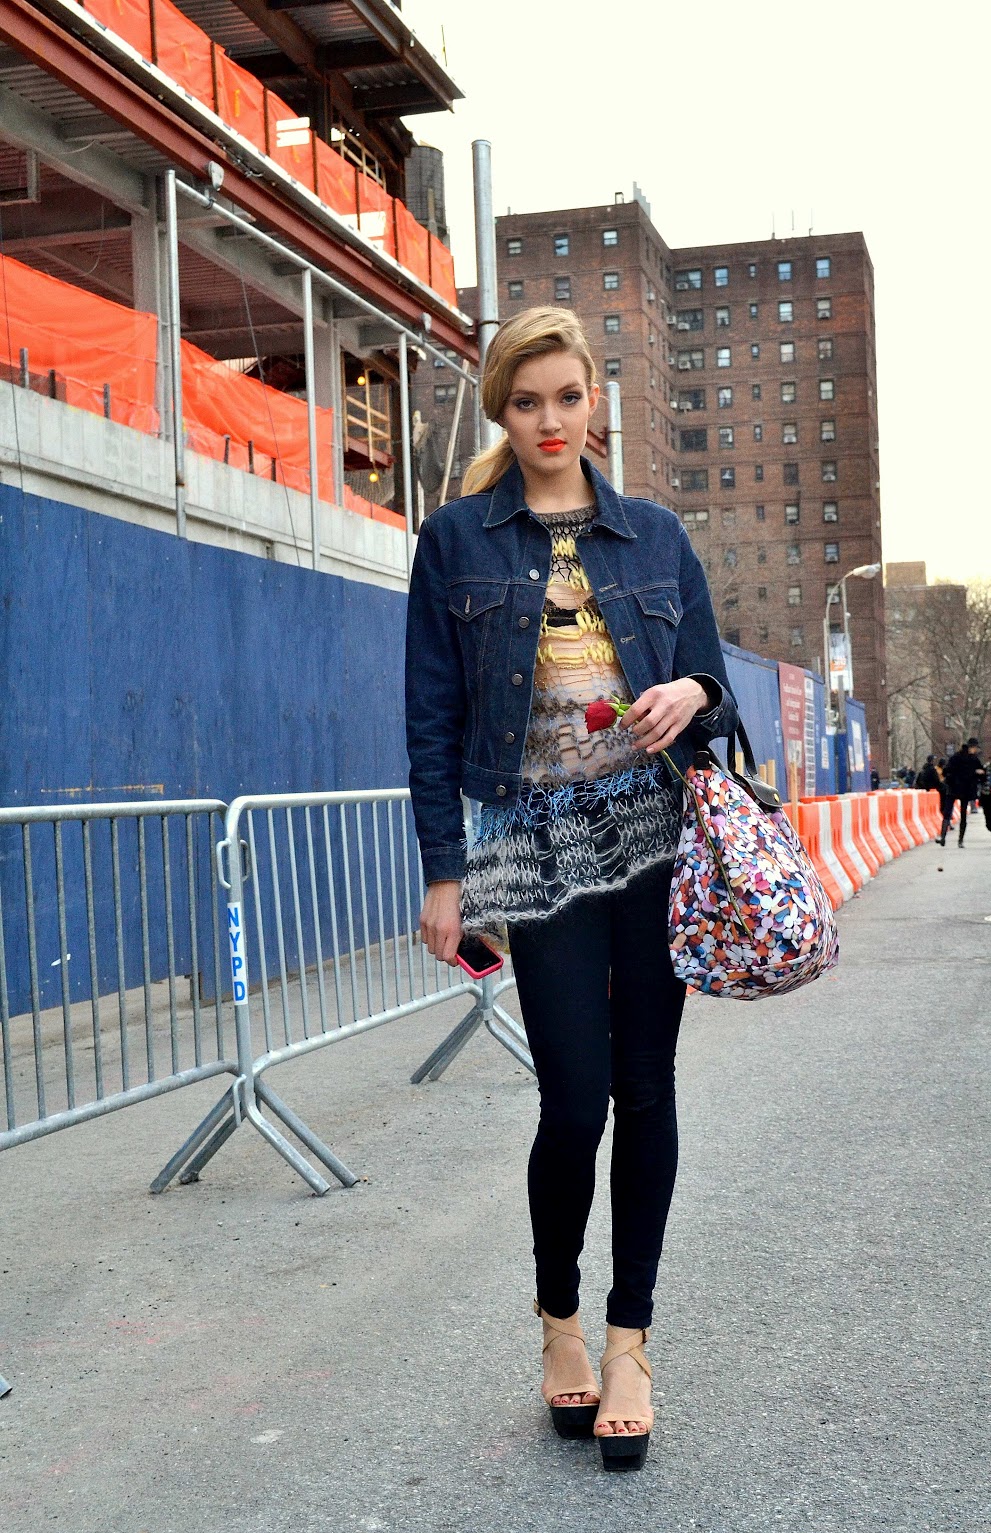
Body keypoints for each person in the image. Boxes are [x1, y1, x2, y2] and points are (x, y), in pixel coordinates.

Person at [405, 306, 737, 1472]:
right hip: (534, 849)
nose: (549, 420)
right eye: (525, 401)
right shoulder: (455, 541)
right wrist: (443, 873)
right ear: (500, 409)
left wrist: (692, 693)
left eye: (566, 396)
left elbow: (711, 682)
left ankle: (628, 1344)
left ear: (594, 399)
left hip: (652, 841)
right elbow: (431, 717)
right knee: (572, 1103)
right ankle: (558, 1323)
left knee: (647, 1090)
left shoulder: (655, 536)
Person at [938, 739, 985, 847]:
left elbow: (946, 771)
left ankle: (943, 836)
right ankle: (960, 840)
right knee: (963, 815)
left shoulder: (955, 757)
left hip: (952, 788)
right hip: (966, 790)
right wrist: (976, 773)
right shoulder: (974, 759)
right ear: (972, 747)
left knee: (947, 812)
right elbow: (980, 774)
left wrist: (950, 779)